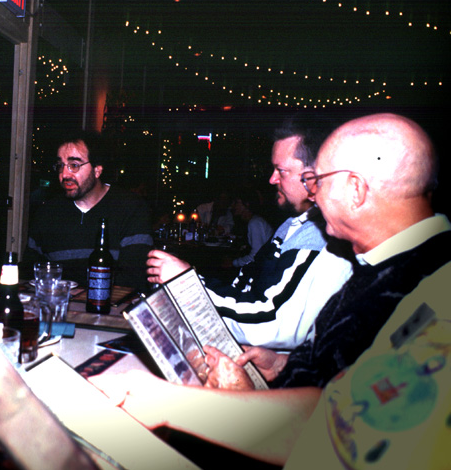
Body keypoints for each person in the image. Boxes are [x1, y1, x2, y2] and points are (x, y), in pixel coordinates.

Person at [91, 113, 450, 470]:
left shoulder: (434, 288)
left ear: (355, 189)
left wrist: (163, 401)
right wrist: (282, 366)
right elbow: (344, 384)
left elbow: (345, 428)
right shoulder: (382, 264)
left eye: (317, 180)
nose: (312, 193)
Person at [148, 114, 354, 350]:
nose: (272, 179)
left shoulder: (320, 234)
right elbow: (245, 287)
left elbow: (269, 322)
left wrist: (186, 284)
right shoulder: (292, 225)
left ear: (315, 175)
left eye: (281, 171)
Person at [23, 132, 154, 290]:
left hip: (109, 304)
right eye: (60, 165)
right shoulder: (47, 213)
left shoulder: (130, 208)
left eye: (74, 165)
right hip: (58, 302)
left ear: (97, 170)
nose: (64, 174)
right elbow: (29, 273)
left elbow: (134, 278)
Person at [228, 189, 273, 267]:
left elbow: (256, 255)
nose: (233, 206)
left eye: (236, 202)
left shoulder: (255, 223)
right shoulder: (253, 221)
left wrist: (234, 263)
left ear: (247, 204)